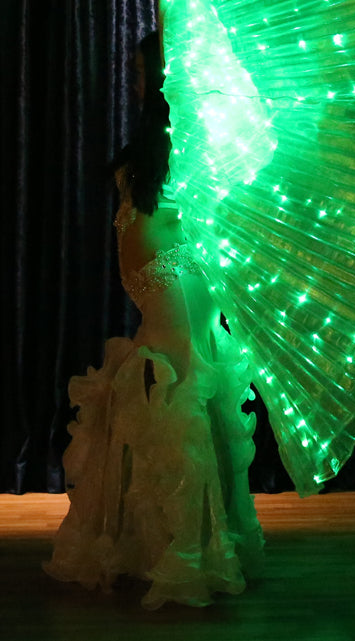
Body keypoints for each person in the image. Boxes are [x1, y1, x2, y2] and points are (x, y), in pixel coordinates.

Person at [43, 31, 264, 609]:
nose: (136, 83)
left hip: (176, 273)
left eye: (142, 74)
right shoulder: (170, 151)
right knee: (184, 383)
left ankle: (179, 549)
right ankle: (195, 543)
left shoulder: (183, 148)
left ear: (162, 82)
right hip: (175, 273)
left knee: (177, 385)